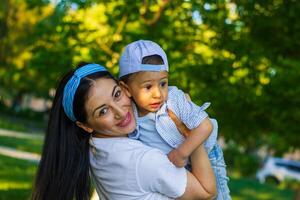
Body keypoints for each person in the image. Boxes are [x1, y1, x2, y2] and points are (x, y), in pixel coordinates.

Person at [31, 63, 216, 200]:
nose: (121, 112)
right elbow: (207, 192)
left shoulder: (94, 147)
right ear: (85, 125)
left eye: (117, 95)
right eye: (103, 111)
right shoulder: (142, 160)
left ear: (125, 88)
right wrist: (189, 130)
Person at [118, 40, 231, 199]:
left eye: (163, 83)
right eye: (148, 87)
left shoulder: (174, 99)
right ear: (126, 89)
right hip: (179, 170)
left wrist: (182, 152)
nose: (158, 93)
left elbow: (205, 126)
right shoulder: (131, 116)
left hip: (206, 155)